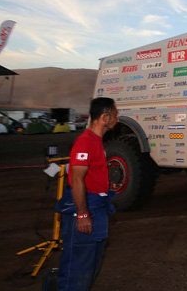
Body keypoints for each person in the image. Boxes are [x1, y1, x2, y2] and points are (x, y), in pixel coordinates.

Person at [55, 98, 118, 291]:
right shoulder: (85, 142)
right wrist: (83, 214)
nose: (118, 118)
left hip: (97, 208)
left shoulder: (97, 141)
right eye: (115, 115)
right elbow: (77, 180)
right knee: (77, 269)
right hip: (84, 210)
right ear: (104, 118)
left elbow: (90, 176)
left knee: (90, 267)